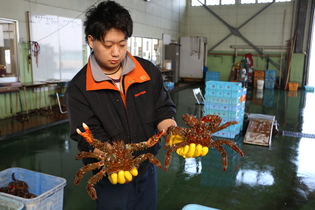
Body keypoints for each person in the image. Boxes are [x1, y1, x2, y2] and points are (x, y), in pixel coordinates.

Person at [65, 1, 177, 209]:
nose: (116, 52)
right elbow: (88, 137)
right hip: (110, 176)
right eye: (108, 45)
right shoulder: (79, 88)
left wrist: (172, 132)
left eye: (122, 44)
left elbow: (162, 109)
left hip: (145, 168)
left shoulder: (148, 71)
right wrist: (114, 160)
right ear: (91, 40)